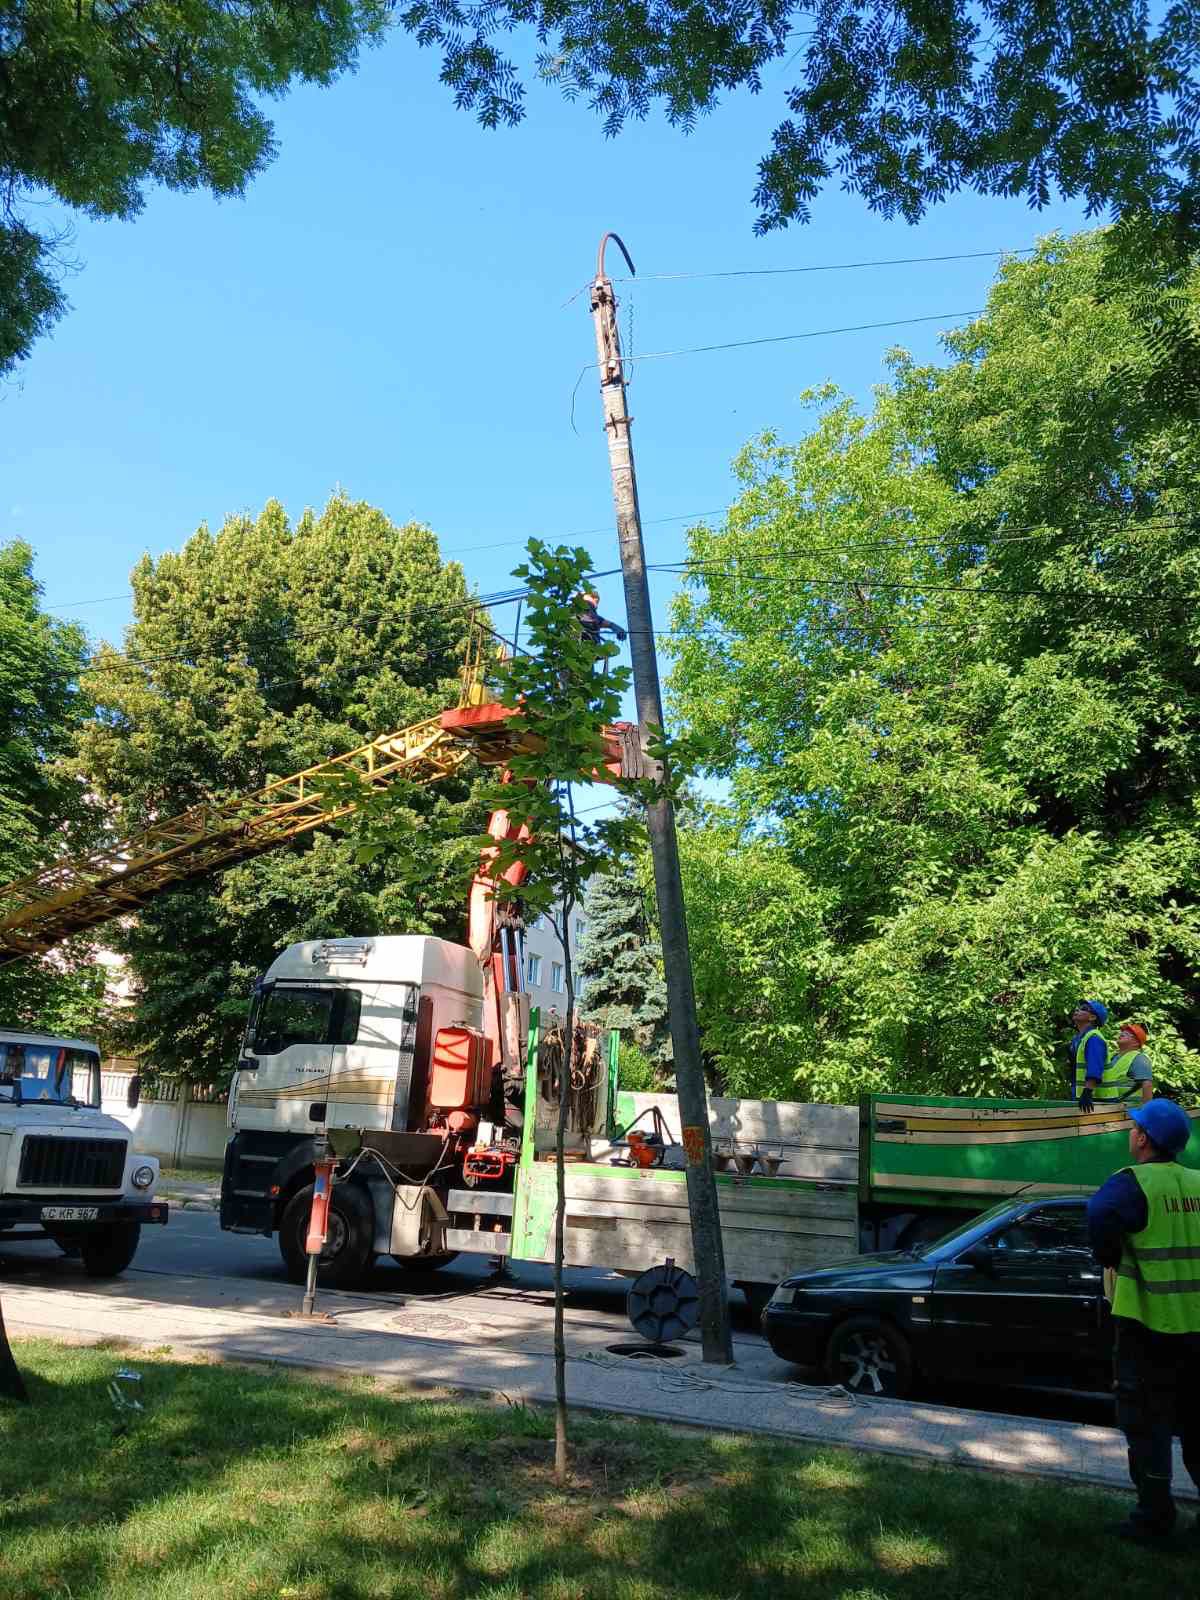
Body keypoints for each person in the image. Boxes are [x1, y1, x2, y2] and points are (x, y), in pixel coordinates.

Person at [1087, 1098, 1200, 1544]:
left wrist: (1109, 1254)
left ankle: (1154, 1517)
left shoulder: (1133, 1183)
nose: (1130, 1133)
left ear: (1144, 1139)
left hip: (1148, 1326)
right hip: (1197, 1329)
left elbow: (1099, 1213)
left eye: (1135, 1128)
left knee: (1147, 1423)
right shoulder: (1197, 1183)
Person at [1069, 999, 1114, 1111]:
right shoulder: (1079, 1038)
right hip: (1087, 1100)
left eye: (1083, 1009)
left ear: (1092, 1017)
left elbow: (1095, 1066)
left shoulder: (1094, 1038)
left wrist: (1087, 1091)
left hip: (1099, 1102)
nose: (1077, 1010)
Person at [1111, 1022, 1155, 1103]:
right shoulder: (1113, 1057)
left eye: (1127, 1034)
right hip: (1112, 1106)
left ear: (1136, 1042)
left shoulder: (1139, 1059)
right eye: (1122, 1033)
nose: (1122, 1034)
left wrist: (1146, 1109)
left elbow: (1147, 1085)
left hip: (1129, 1108)